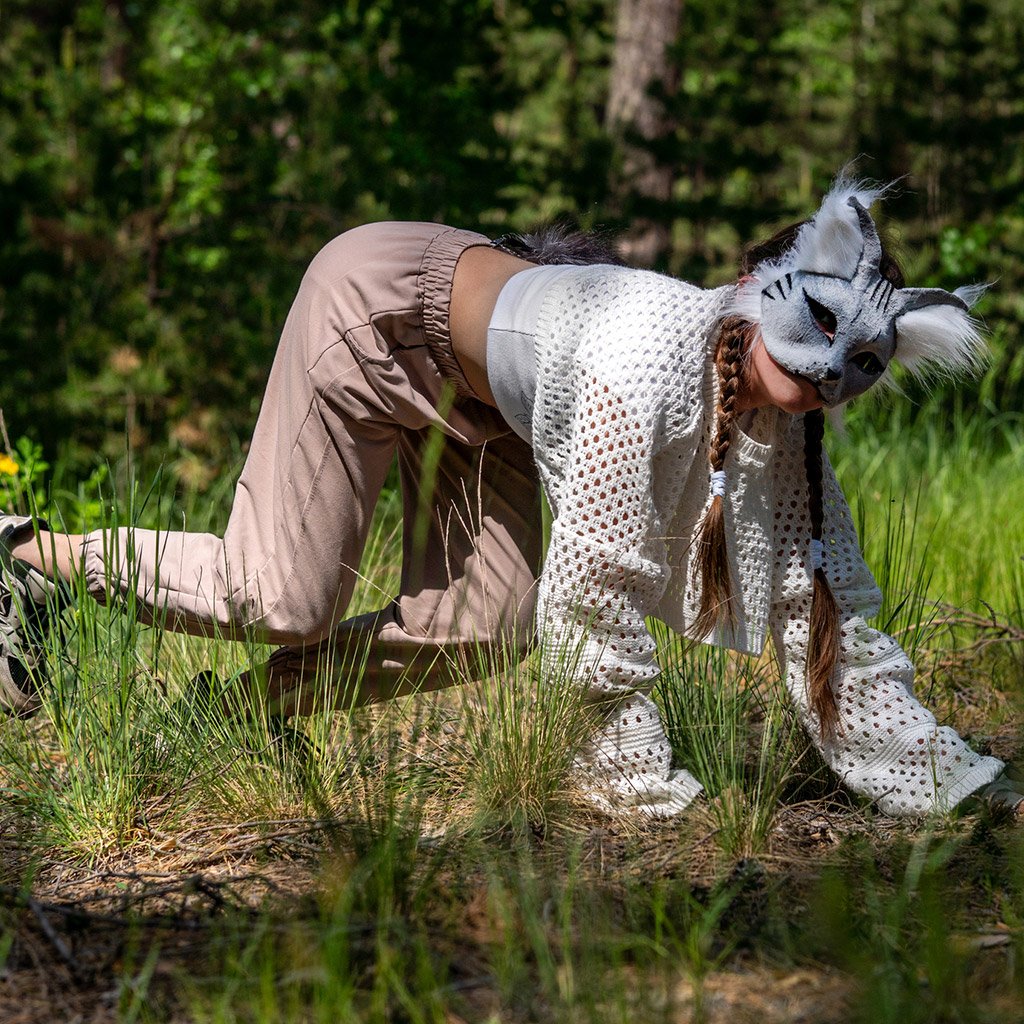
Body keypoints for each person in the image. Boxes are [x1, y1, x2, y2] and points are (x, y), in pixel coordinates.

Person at [0, 175, 1020, 820]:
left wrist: (931, 768)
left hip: (486, 395)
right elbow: (594, 590)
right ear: (761, 288)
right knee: (279, 598)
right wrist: (629, 773)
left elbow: (818, 595)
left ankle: (218, 722)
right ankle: (27, 555)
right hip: (384, 312)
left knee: (483, 624)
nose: (832, 370)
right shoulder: (644, 368)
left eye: (864, 363)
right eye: (823, 331)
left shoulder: (776, 413)